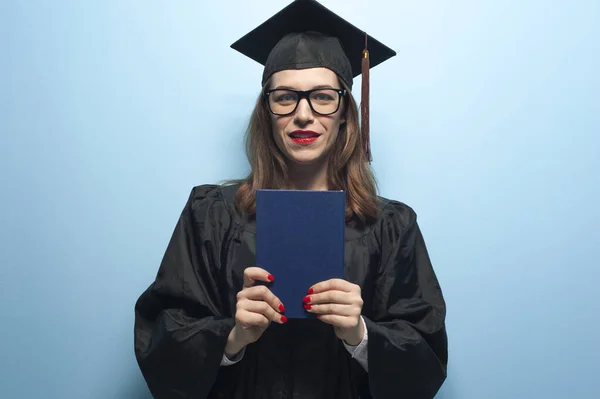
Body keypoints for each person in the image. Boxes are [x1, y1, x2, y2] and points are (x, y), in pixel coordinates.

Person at [133, 0, 448, 397]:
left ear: (346, 111)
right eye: (285, 97)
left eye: (322, 96)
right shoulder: (211, 215)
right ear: (266, 111)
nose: (303, 114)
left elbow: (426, 360)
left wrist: (360, 333)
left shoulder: (390, 227)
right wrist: (232, 336)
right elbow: (159, 338)